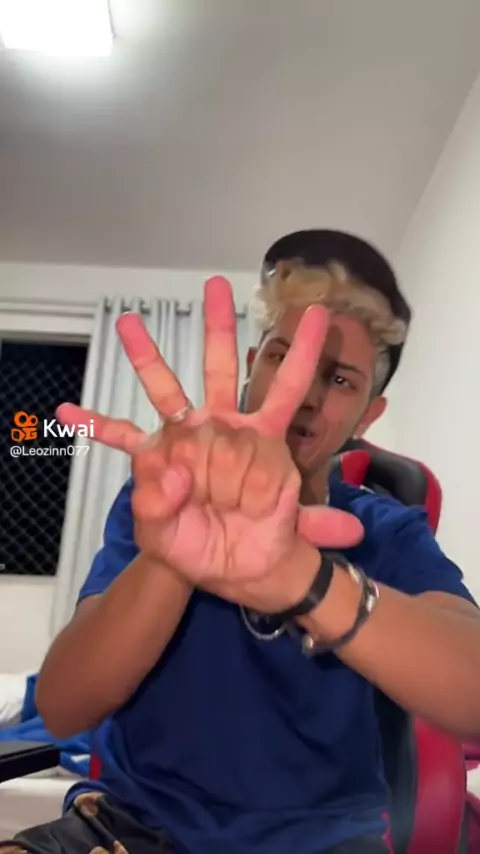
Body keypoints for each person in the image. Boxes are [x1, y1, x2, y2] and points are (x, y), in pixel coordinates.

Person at [4, 230, 480, 854]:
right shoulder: (158, 502)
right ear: (252, 364)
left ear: (369, 414)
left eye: (340, 380)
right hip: (133, 827)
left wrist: (306, 580)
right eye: (284, 356)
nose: (304, 393)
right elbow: (65, 709)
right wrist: (173, 559)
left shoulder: (387, 530)